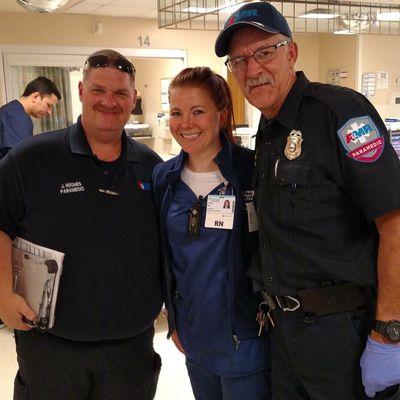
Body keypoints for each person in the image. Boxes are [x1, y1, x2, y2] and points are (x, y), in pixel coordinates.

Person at [215, 2, 400, 399]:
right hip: (284, 333)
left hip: (342, 332)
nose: (252, 69)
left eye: (264, 52)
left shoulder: (340, 112)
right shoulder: (267, 131)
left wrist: (388, 332)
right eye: (239, 61)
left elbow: (395, 220)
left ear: (291, 53)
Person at [0, 49, 162, 400]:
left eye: (120, 93)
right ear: (81, 91)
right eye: (99, 90)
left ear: (133, 98)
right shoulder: (30, 159)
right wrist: (2, 293)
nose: (109, 101)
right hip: (50, 348)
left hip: (130, 350)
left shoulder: (152, 168)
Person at [152, 67, 269, 400]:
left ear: (222, 115)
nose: (185, 123)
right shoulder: (164, 179)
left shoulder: (251, 171)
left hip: (246, 337)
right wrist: (174, 321)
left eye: (198, 111)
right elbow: (167, 259)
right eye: (176, 112)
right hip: (194, 338)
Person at [0, 76, 61, 159]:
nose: (49, 112)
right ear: (36, 97)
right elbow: (20, 160)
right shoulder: (17, 118)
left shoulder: (11, 111)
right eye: (48, 105)